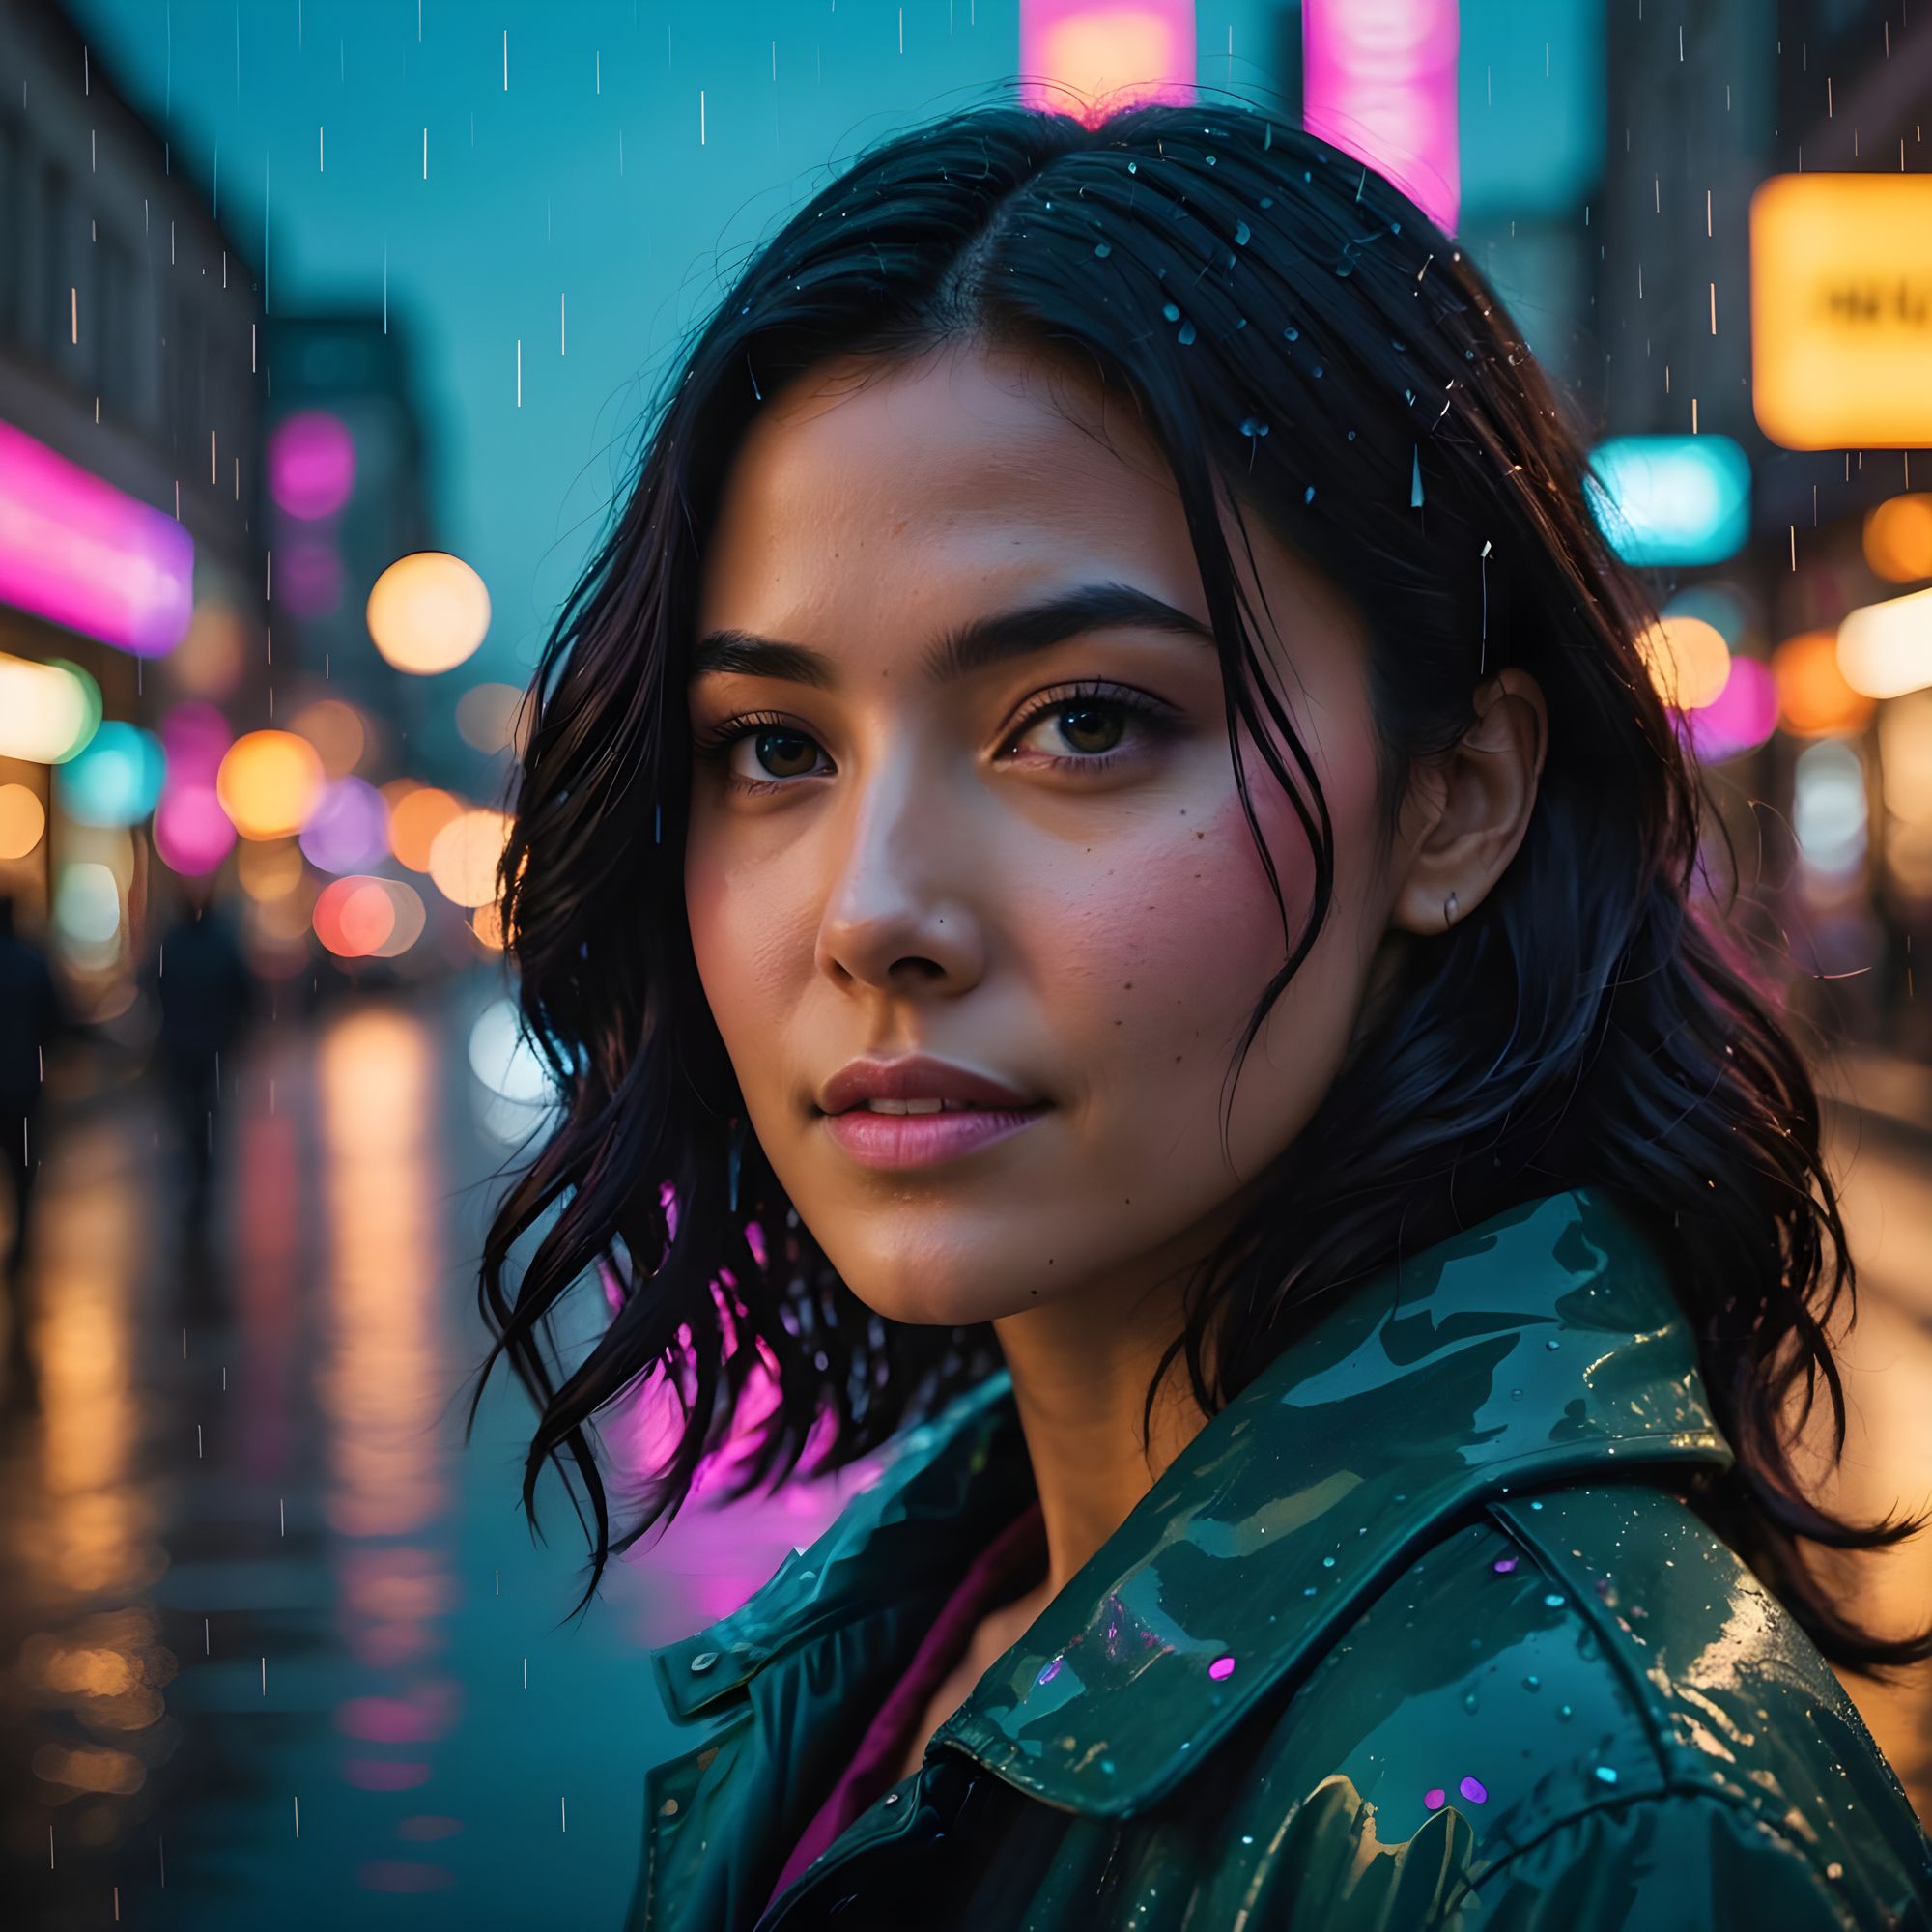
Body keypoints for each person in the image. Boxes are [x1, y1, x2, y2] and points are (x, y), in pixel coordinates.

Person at [472, 103, 1932, 1928]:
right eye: (775, 747)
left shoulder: (1585, 1822)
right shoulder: (928, 1622)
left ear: (1457, 798)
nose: (873, 914)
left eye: (1083, 721)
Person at [0, 892, 68, 1406]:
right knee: (23, 1167)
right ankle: (21, 1239)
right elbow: (55, 1021)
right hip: (23, 1084)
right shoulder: (31, 961)